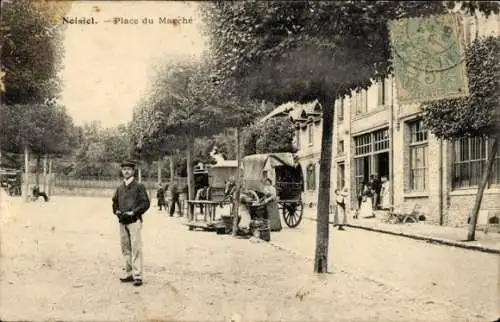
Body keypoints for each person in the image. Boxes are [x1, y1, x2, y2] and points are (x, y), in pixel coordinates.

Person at [112, 160, 150, 287]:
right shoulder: (120, 187)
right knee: (125, 249)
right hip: (122, 221)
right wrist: (116, 211)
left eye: (128, 169)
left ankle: (137, 276)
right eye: (124, 169)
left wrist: (133, 212)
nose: (126, 171)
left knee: (136, 248)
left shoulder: (139, 186)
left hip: (134, 221)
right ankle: (129, 274)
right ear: (122, 171)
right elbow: (114, 201)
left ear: (133, 171)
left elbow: (145, 203)